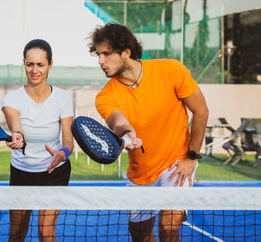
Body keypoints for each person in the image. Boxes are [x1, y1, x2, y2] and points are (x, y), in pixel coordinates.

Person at [88, 23, 209, 242]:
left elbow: (201, 111)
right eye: (98, 55)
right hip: (140, 173)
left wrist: (191, 158)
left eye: (106, 54)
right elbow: (118, 121)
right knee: (139, 234)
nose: (100, 61)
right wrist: (128, 133)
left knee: (169, 228)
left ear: (126, 52)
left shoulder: (171, 70)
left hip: (176, 166)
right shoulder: (104, 96)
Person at [2, 39, 74, 242]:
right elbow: (17, 129)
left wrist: (63, 153)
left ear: (50, 64)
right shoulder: (11, 99)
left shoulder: (63, 98)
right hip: (21, 173)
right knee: (16, 233)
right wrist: (18, 138)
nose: (34, 70)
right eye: (29, 64)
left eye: (40, 64)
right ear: (24, 63)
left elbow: (68, 142)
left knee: (46, 231)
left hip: (54, 172)